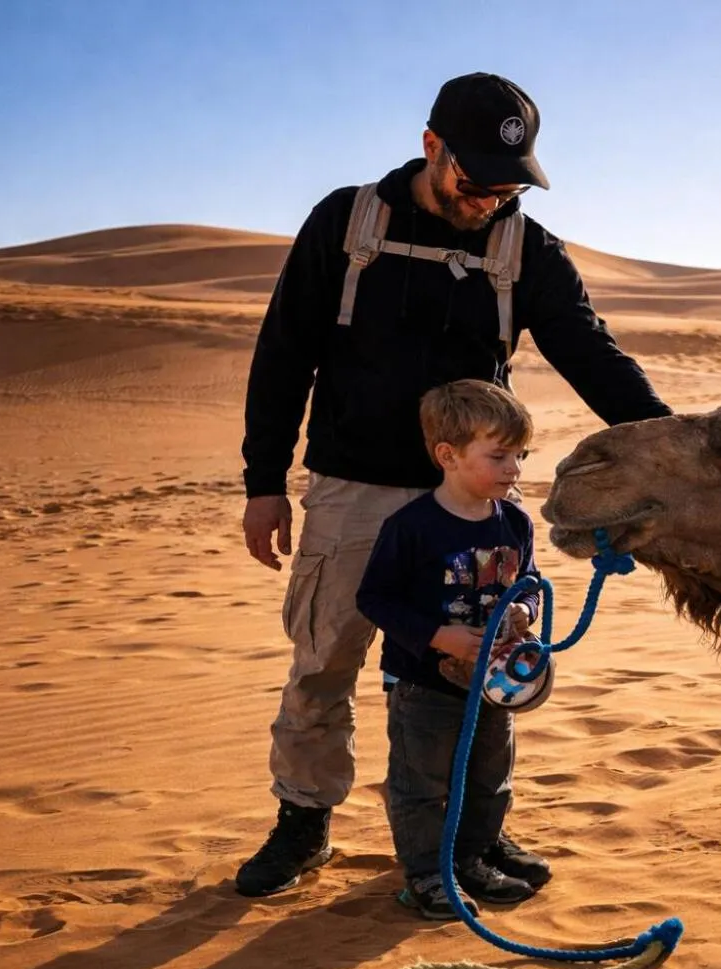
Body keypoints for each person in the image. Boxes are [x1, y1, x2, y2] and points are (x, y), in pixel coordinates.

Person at [236, 72, 672, 898]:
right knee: (323, 664)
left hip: (473, 503)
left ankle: (476, 836)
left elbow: (593, 358)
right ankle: (302, 824)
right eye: (476, 182)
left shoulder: (526, 249)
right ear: (431, 146)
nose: (491, 201)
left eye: (512, 185)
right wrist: (264, 480)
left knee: (482, 674)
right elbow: (284, 353)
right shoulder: (347, 220)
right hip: (352, 493)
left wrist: (673, 447)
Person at [358, 380, 540, 918]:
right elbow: (375, 598)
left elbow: (528, 579)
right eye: (499, 455)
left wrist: (525, 611)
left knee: (490, 775)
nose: (514, 470)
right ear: (448, 455)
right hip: (423, 682)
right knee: (421, 783)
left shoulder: (516, 522)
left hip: (494, 682)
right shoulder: (412, 528)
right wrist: (440, 636)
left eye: (520, 456)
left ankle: (473, 859)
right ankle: (425, 875)